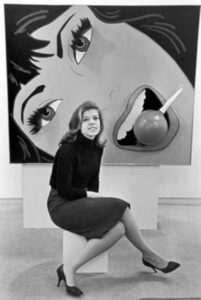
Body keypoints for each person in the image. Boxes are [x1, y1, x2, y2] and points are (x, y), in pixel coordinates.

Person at [47, 101, 180, 297]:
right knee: (121, 206)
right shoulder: (67, 150)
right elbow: (65, 189)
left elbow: (93, 181)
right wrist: (88, 197)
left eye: (95, 118)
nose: (92, 122)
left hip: (78, 202)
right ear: (77, 124)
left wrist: (94, 204)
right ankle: (149, 255)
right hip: (60, 205)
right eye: (86, 120)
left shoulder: (97, 148)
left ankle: (69, 267)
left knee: (118, 229)